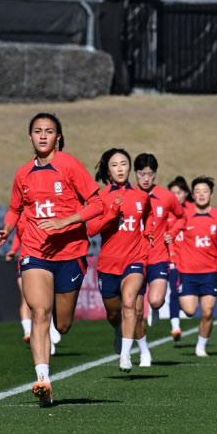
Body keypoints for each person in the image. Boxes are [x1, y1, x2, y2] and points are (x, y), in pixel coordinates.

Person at [0, 113, 104, 404]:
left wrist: (66, 221)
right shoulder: (22, 174)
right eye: (37, 131)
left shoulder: (69, 165)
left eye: (49, 131)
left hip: (71, 252)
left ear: (58, 137)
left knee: (63, 324)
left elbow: (97, 203)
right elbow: (14, 210)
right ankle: (43, 380)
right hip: (35, 251)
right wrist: (6, 230)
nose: (43, 136)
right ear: (29, 136)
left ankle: (56, 329)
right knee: (39, 312)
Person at [87, 148, 153, 372]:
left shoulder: (141, 196)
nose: (120, 169)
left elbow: (149, 216)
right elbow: (91, 229)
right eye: (115, 165)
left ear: (129, 167)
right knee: (114, 313)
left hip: (135, 260)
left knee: (130, 305)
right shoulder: (100, 197)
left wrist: (151, 233)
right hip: (108, 264)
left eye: (124, 164)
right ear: (108, 169)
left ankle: (125, 356)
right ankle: (118, 331)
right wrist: (112, 211)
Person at [176, 176, 217, 357]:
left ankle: (201, 346)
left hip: (210, 272)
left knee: (207, 312)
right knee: (189, 310)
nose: (201, 195)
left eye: (205, 191)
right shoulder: (184, 215)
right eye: (198, 191)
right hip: (187, 272)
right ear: (192, 195)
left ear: (211, 194)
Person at [133, 154, 185, 340]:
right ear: (135, 173)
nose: (146, 179)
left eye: (150, 174)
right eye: (142, 174)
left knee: (155, 300)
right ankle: (140, 349)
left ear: (155, 174)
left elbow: (182, 217)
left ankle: (155, 308)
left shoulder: (167, 196)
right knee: (136, 310)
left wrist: (173, 232)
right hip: (135, 257)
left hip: (159, 256)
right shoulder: (128, 194)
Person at [5, 216, 61, 354]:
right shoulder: (20, 217)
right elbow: (19, 235)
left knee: (46, 302)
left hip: (46, 261)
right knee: (27, 299)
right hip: (26, 262)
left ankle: (51, 330)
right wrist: (13, 250)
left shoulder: (45, 213)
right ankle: (27, 330)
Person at [166, 175, 194, 341]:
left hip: (192, 261)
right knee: (174, 292)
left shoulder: (193, 210)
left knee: (189, 297)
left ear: (185, 193)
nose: (175, 196)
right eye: (172, 193)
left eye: (178, 192)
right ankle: (175, 327)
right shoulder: (165, 212)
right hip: (173, 259)